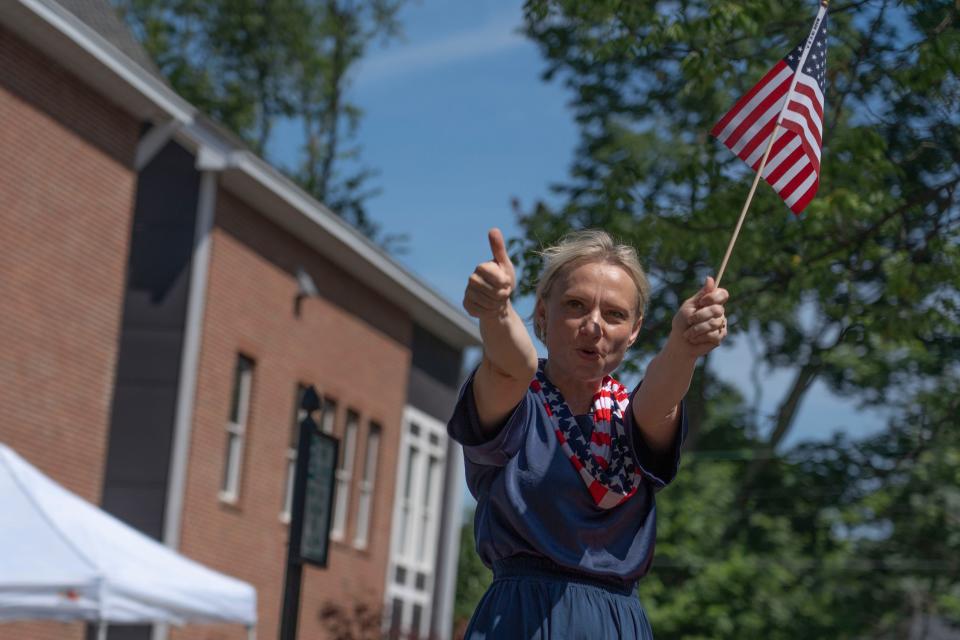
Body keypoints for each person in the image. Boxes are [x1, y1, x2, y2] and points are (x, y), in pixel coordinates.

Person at [449, 228, 729, 639]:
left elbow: (660, 398)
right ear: (542, 313)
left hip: (616, 624)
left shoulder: (632, 416)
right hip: (520, 618)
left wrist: (683, 347)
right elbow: (512, 365)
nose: (594, 325)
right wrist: (496, 312)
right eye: (576, 305)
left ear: (634, 331)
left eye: (614, 314)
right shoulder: (519, 402)